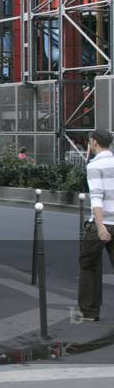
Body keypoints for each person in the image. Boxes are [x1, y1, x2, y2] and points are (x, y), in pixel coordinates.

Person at [77, 129, 114, 321]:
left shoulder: (94, 165)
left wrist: (100, 226)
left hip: (102, 223)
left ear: (94, 143)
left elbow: (97, 198)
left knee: (88, 265)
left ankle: (89, 313)